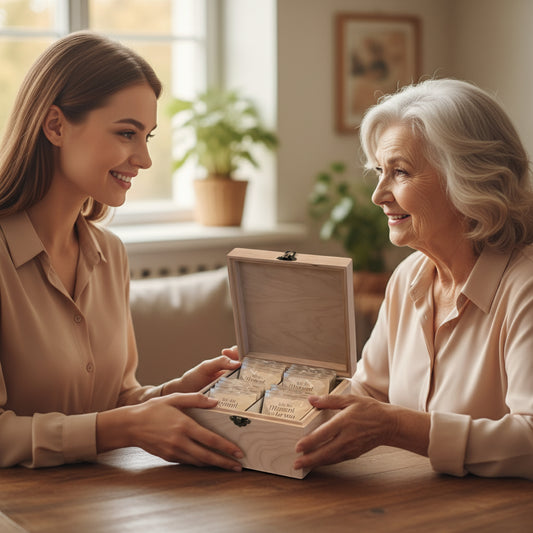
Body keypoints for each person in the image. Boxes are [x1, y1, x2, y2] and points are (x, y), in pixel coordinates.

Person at [0, 31, 244, 471]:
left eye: (147, 136)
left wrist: (169, 395)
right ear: (55, 125)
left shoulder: (109, 254)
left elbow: (113, 400)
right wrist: (127, 426)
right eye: (126, 133)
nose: (144, 159)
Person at [294, 78, 533, 479]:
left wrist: (395, 426)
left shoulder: (524, 287)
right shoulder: (409, 276)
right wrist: (275, 394)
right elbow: (368, 391)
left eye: (400, 173)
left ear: (469, 180)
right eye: (379, 172)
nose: (379, 195)